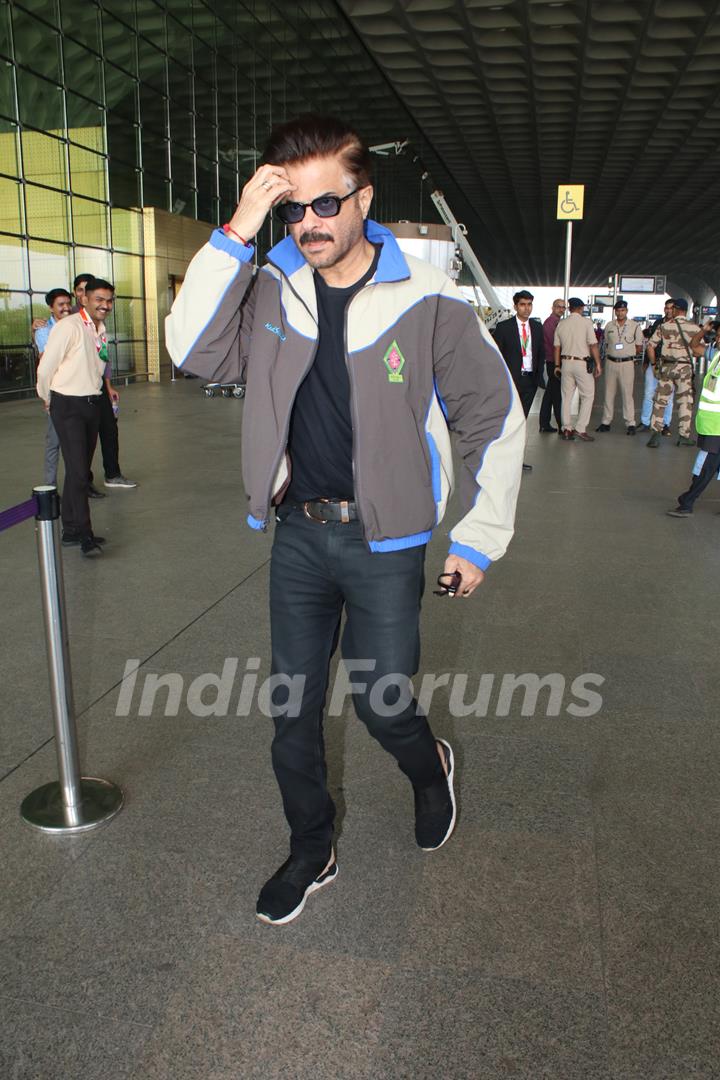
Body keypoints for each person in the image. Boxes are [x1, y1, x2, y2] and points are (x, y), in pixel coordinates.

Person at [166, 114, 525, 925]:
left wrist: (478, 538)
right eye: (293, 210)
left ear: (364, 198)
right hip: (299, 534)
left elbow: (495, 419)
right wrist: (239, 228)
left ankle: (428, 767)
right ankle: (310, 847)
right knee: (290, 707)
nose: (309, 225)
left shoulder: (427, 301)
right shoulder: (268, 290)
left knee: (381, 699)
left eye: (325, 205)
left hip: (386, 540)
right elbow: (188, 348)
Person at [36, 279, 116, 556]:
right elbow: (46, 367)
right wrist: (47, 398)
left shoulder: (100, 329)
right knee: (81, 472)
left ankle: (70, 528)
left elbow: (97, 366)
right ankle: (85, 535)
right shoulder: (68, 327)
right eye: (99, 299)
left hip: (91, 403)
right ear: (84, 300)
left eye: (108, 300)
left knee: (77, 469)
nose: (105, 305)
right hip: (67, 405)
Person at [667, 320, 720, 517]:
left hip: (716, 427)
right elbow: (694, 346)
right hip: (711, 424)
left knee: (704, 466)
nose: (719, 340)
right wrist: (703, 331)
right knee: (707, 465)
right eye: (718, 336)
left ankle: (687, 502)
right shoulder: (716, 356)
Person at [492, 289, 544, 470]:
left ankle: (516, 459)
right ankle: (501, 457)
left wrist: (538, 378)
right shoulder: (503, 327)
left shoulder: (537, 327)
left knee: (522, 421)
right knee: (508, 421)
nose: (526, 308)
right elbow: (495, 356)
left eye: (529, 304)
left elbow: (540, 353)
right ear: (515, 306)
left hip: (529, 381)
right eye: (522, 304)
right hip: (511, 382)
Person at [646, 298, 700, 447]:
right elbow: (699, 350)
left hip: (667, 368)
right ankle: (684, 436)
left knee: (660, 401)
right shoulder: (694, 328)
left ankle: (655, 435)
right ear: (686, 310)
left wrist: (654, 364)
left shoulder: (664, 326)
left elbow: (650, 346)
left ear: (675, 309)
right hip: (685, 369)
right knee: (685, 402)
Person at [34, 288, 72, 486]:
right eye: (60, 305)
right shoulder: (44, 331)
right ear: (51, 308)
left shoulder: (76, 325)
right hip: (57, 393)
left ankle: (77, 485)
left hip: (76, 391)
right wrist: (46, 397)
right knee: (54, 442)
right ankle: (50, 486)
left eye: (67, 303)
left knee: (75, 444)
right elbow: (45, 366)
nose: (66, 308)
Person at [553, 297, 601, 441]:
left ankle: (566, 429)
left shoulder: (561, 324)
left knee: (566, 397)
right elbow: (593, 345)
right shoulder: (586, 323)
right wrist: (598, 363)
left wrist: (557, 365)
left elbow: (556, 347)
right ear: (581, 308)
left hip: (565, 363)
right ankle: (580, 428)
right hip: (582, 364)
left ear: (569, 308)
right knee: (587, 395)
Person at [596, 300, 643, 434]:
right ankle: (606, 422)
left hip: (627, 364)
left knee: (627, 394)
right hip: (611, 363)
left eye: (623, 310)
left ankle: (630, 423)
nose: (620, 313)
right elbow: (606, 343)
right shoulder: (609, 326)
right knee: (608, 393)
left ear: (626, 311)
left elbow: (639, 347)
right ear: (615, 311)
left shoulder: (634, 326)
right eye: (618, 310)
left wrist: (627, 354)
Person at [638, 300, 675, 433]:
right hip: (655, 363)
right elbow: (651, 344)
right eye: (667, 308)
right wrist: (647, 362)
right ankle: (645, 422)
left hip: (671, 365)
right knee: (648, 393)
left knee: (668, 397)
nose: (668, 310)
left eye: (671, 308)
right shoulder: (658, 323)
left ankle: (665, 424)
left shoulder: (679, 325)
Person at [539, 298, 565, 432]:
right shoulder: (551, 323)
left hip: (554, 361)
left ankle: (544, 423)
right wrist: (557, 363)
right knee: (556, 395)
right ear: (553, 307)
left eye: (563, 307)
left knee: (550, 393)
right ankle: (562, 425)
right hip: (553, 362)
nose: (561, 309)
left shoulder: (558, 323)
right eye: (558, 307)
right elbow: (554, 344)